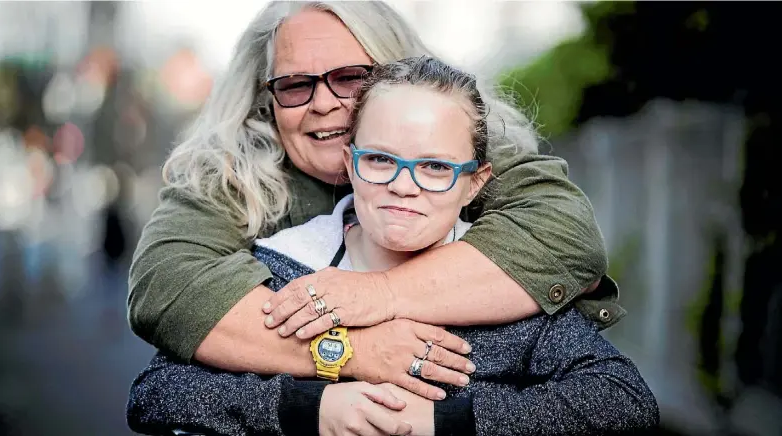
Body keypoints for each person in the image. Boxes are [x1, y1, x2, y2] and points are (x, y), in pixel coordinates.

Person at [127, 56, 658, 436]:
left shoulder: (502, 287)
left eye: (434, 167)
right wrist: (314, 406)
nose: (404, 185)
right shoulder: (285, 269)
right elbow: (157, 392)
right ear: (350, 162)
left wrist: (440, 420)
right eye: (381, 160)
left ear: (476, 182)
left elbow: (623, 400)